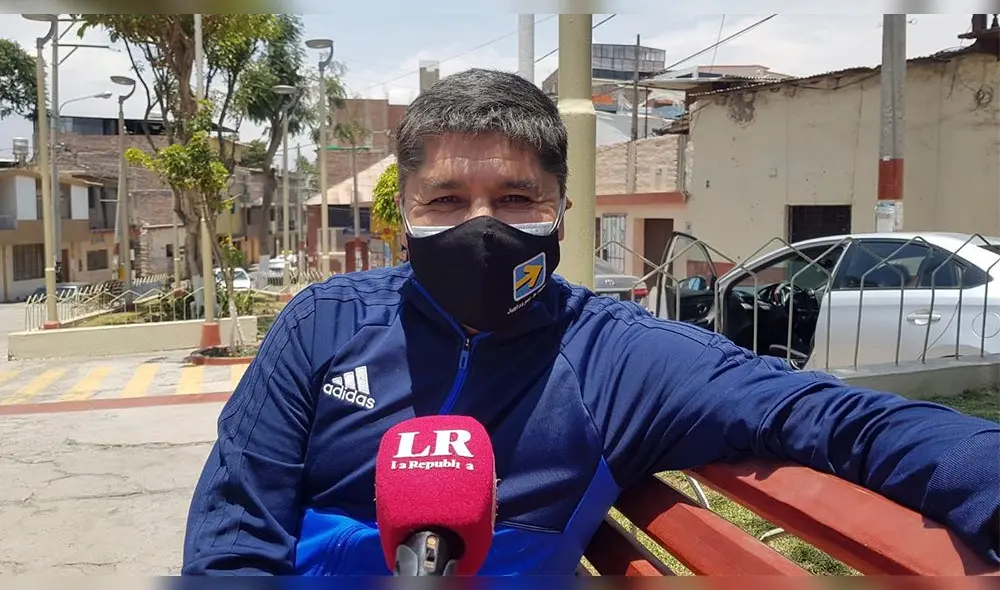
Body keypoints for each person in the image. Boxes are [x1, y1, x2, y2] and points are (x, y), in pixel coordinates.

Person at [182, 68, 1000, 576]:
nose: (480, 226)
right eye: (445, 202)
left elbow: (826, 417)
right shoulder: (325, 322)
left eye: (514, 200)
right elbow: (235, 529)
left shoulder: (622, 361)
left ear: (562, 213)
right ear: (403, 215)